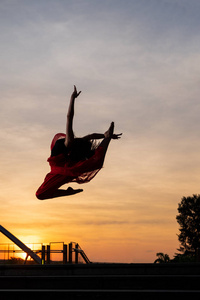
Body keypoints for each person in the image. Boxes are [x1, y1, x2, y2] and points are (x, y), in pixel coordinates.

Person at [36, 86, 122, 200]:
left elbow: (91, 136)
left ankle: (107, 138)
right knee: (40, 195)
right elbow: (69, 117)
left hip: (62, 161)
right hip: (60, 158)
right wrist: (72, 98)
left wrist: (106, 136)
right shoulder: (69, 142)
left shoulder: (75, 147)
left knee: (92, 162)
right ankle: (68, 192)